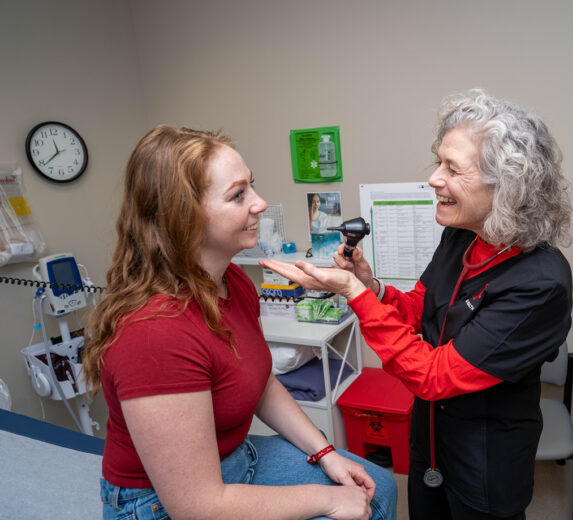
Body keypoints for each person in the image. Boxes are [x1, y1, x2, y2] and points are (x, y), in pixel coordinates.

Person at [263, 90, 573, 520]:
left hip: (484, 456)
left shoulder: (540, 283)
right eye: (438, 162)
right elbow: (420, 310)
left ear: (507, 184)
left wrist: (353, 294)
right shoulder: (462, 236)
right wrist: (369, 285)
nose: (433, 179)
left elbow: (433, 375)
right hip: (430, 435)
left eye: (452, 168)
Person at [81, 125, 396, 520]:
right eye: (238, 195)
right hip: (163, 504)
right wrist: (329, 499)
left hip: (232, 459)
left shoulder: (235, 284)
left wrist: (325, 452)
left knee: (377, 489)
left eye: (252, 186)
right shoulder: (153, 333)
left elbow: (259, 381)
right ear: (183, 216)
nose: (261, 203)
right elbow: (198, 507)